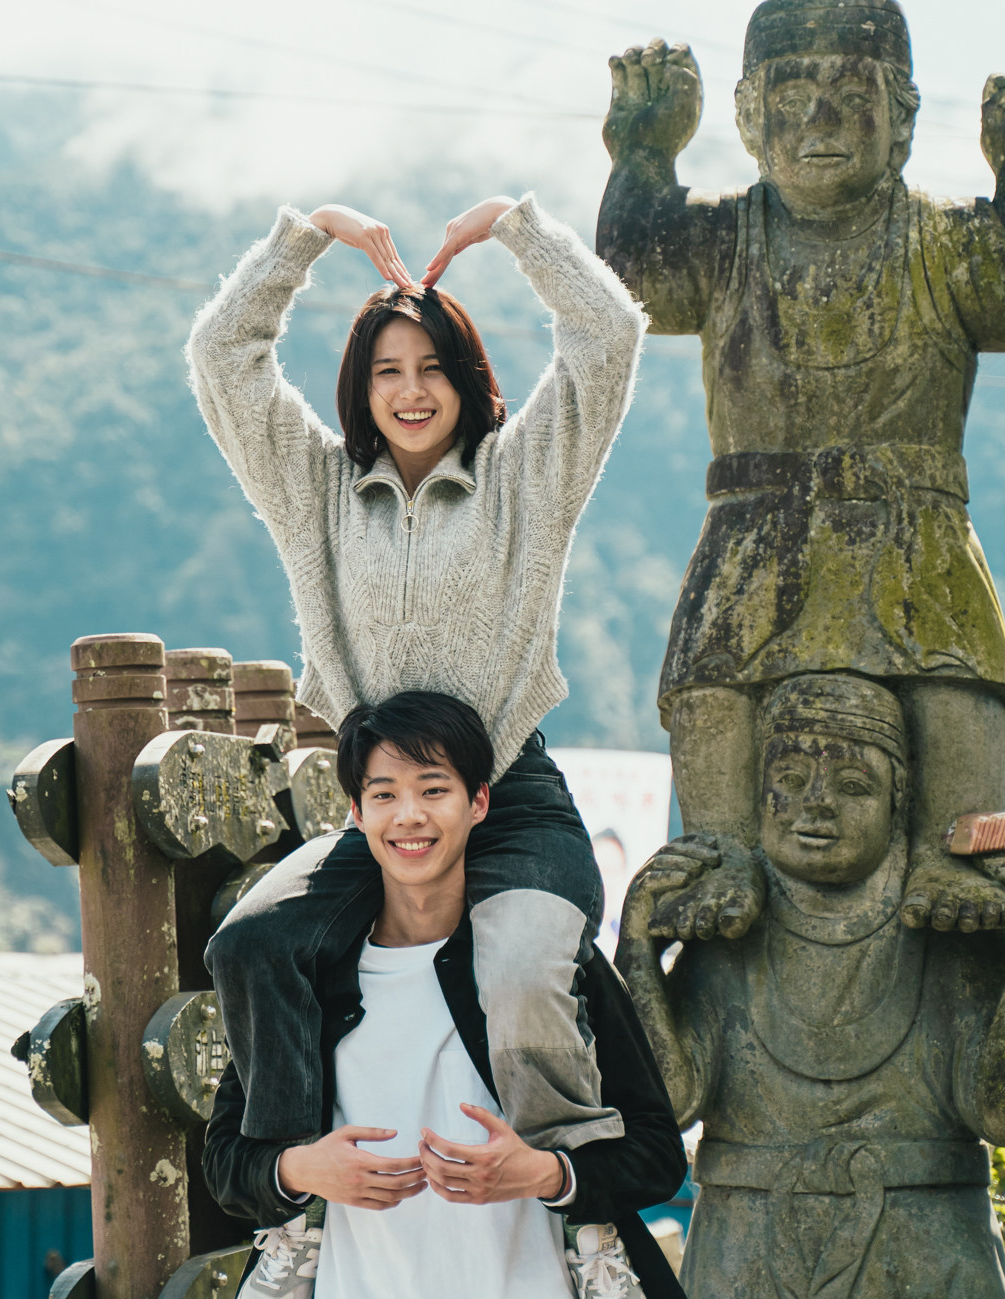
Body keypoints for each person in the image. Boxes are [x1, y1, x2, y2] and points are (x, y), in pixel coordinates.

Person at [186, 193, 649, 1273]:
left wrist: (518, 229)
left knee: (525, 964)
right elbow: (222, 358)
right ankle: (297, 1216)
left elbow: (608, 339)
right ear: (360, 387)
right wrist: (300, 240)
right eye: (386, 371)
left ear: (463, 378)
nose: (408, 391)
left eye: (430, 368)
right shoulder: (313, 491)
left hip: (509, 796)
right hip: (379, 806)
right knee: (253, 942)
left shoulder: (522, 480)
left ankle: (579, 1224)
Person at [592, 0, 1005, 942]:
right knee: (711, 682)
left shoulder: (939, 239)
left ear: (901, 116)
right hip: (753, 523)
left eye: (848, 93)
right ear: (746, 116)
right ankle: (725, 847)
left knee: (956, 681)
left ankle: (957, 852)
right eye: (791, 92)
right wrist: (642, 153)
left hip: (915, 528)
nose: (816, 118)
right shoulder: (726, 237)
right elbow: (631, 278)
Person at [205, 691, 689, 1299]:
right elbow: (225, 1158)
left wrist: (544, 1174)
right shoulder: (311, 976)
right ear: (356, 813)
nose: (409, 815)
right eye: (384, 795)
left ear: (478, 801)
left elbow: (658, 1155)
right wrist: (300, 1169)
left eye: (434, 790)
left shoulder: (544, 966)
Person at [614, 672, 1005, 1297]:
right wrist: (637, 955)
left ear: (900, 799)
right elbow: (662, 1107)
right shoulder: (727, 932)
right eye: (791, 782)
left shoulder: (946, 928)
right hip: (749, 1251)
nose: (817, 804)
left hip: (929, 1253)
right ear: (757, 795)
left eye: (854, 785)